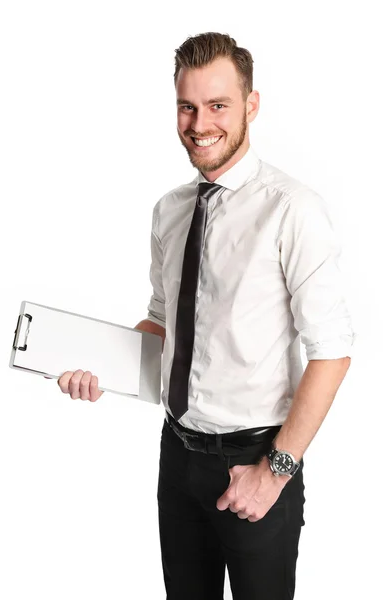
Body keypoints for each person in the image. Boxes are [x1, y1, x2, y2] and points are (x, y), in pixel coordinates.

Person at [52, 32, 356, 600]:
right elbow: (163, 322)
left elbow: (332, 350)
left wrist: (275, 472)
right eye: (187, 106)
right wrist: (97, 368)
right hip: (178, 458)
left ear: (251, 105)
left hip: (256, 460)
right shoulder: (169, 210)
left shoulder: (293, 210)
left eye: (218, 105)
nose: (199, 123)